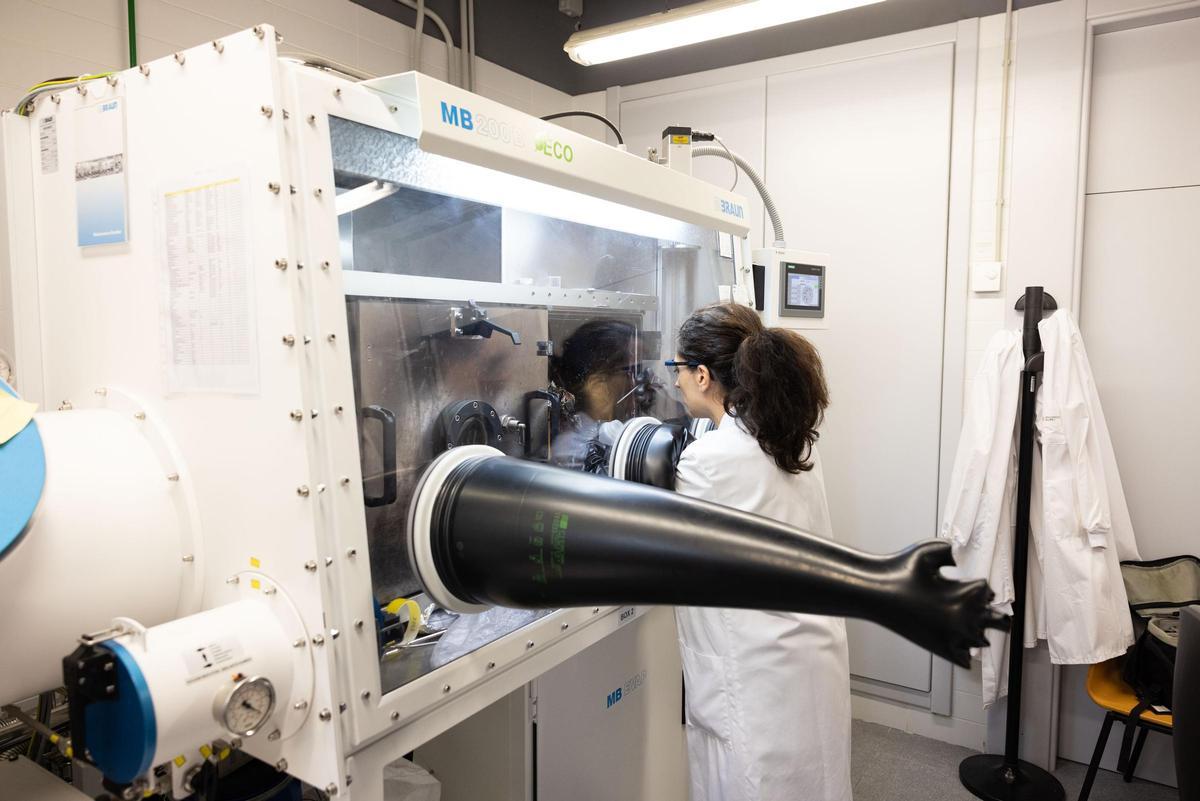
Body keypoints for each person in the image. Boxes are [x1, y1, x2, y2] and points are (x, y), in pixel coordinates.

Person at [668, 302, 852, 801]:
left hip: (754, 673)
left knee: (751, 781)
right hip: (808, 651)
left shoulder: (707, 460)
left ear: (703, 375)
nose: (676, 381)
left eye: (677, 369)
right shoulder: (786, 437)